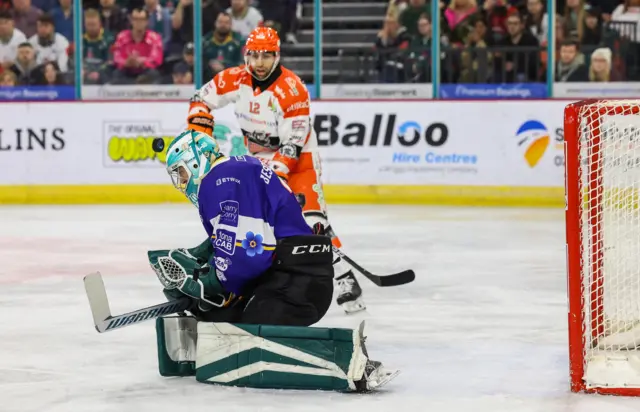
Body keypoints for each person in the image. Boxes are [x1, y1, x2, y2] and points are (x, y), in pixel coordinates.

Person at [148, 129, 397, 392]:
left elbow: (249, 255)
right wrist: (202, 264)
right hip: (293, 277)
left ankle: (350, 362)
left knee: (245, 341)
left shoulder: (218, 180)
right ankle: (204, 338)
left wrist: (210, 282)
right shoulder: (239, 169)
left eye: (182, 173)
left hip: (295, 280)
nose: (181, 183)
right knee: (224, 324)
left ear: (196, 160)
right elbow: (242, 239)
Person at [184, 26, 367, 314]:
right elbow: (200, 98)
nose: (259, 63)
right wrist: (199, 126)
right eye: (254, 56)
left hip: (299, 162)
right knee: (263, 224)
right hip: (258, 159)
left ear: (277, 55)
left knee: (312, 222)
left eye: (266, 56)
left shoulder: (292, 89)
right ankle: (268, 279)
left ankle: (345, 278)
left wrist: (273, 175)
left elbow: (292, 146)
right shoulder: (235, 78)